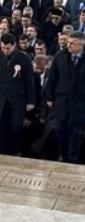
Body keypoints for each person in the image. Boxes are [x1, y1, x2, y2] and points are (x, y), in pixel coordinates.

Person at [0, 33, 36, 156]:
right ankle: (1, 152)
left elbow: (29, 81)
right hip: (0, 97)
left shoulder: (24, 58)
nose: (5, 51)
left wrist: (31, 101)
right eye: (3, 48)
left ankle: (17, 151)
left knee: (15, 127)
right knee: (0, 126)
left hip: (17, 98)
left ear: (14, 46)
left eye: (8, 48)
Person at [46, 31, 85, 163]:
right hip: (61, 100)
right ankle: (62, 154)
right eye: (68, 43)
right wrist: (50, 98)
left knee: (76, 132)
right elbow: (52, 78)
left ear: (81, 45)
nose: (68, 46)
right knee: (59, 129)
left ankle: (72, 158)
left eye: (72, 44)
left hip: (80, 103)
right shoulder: (60, 56)